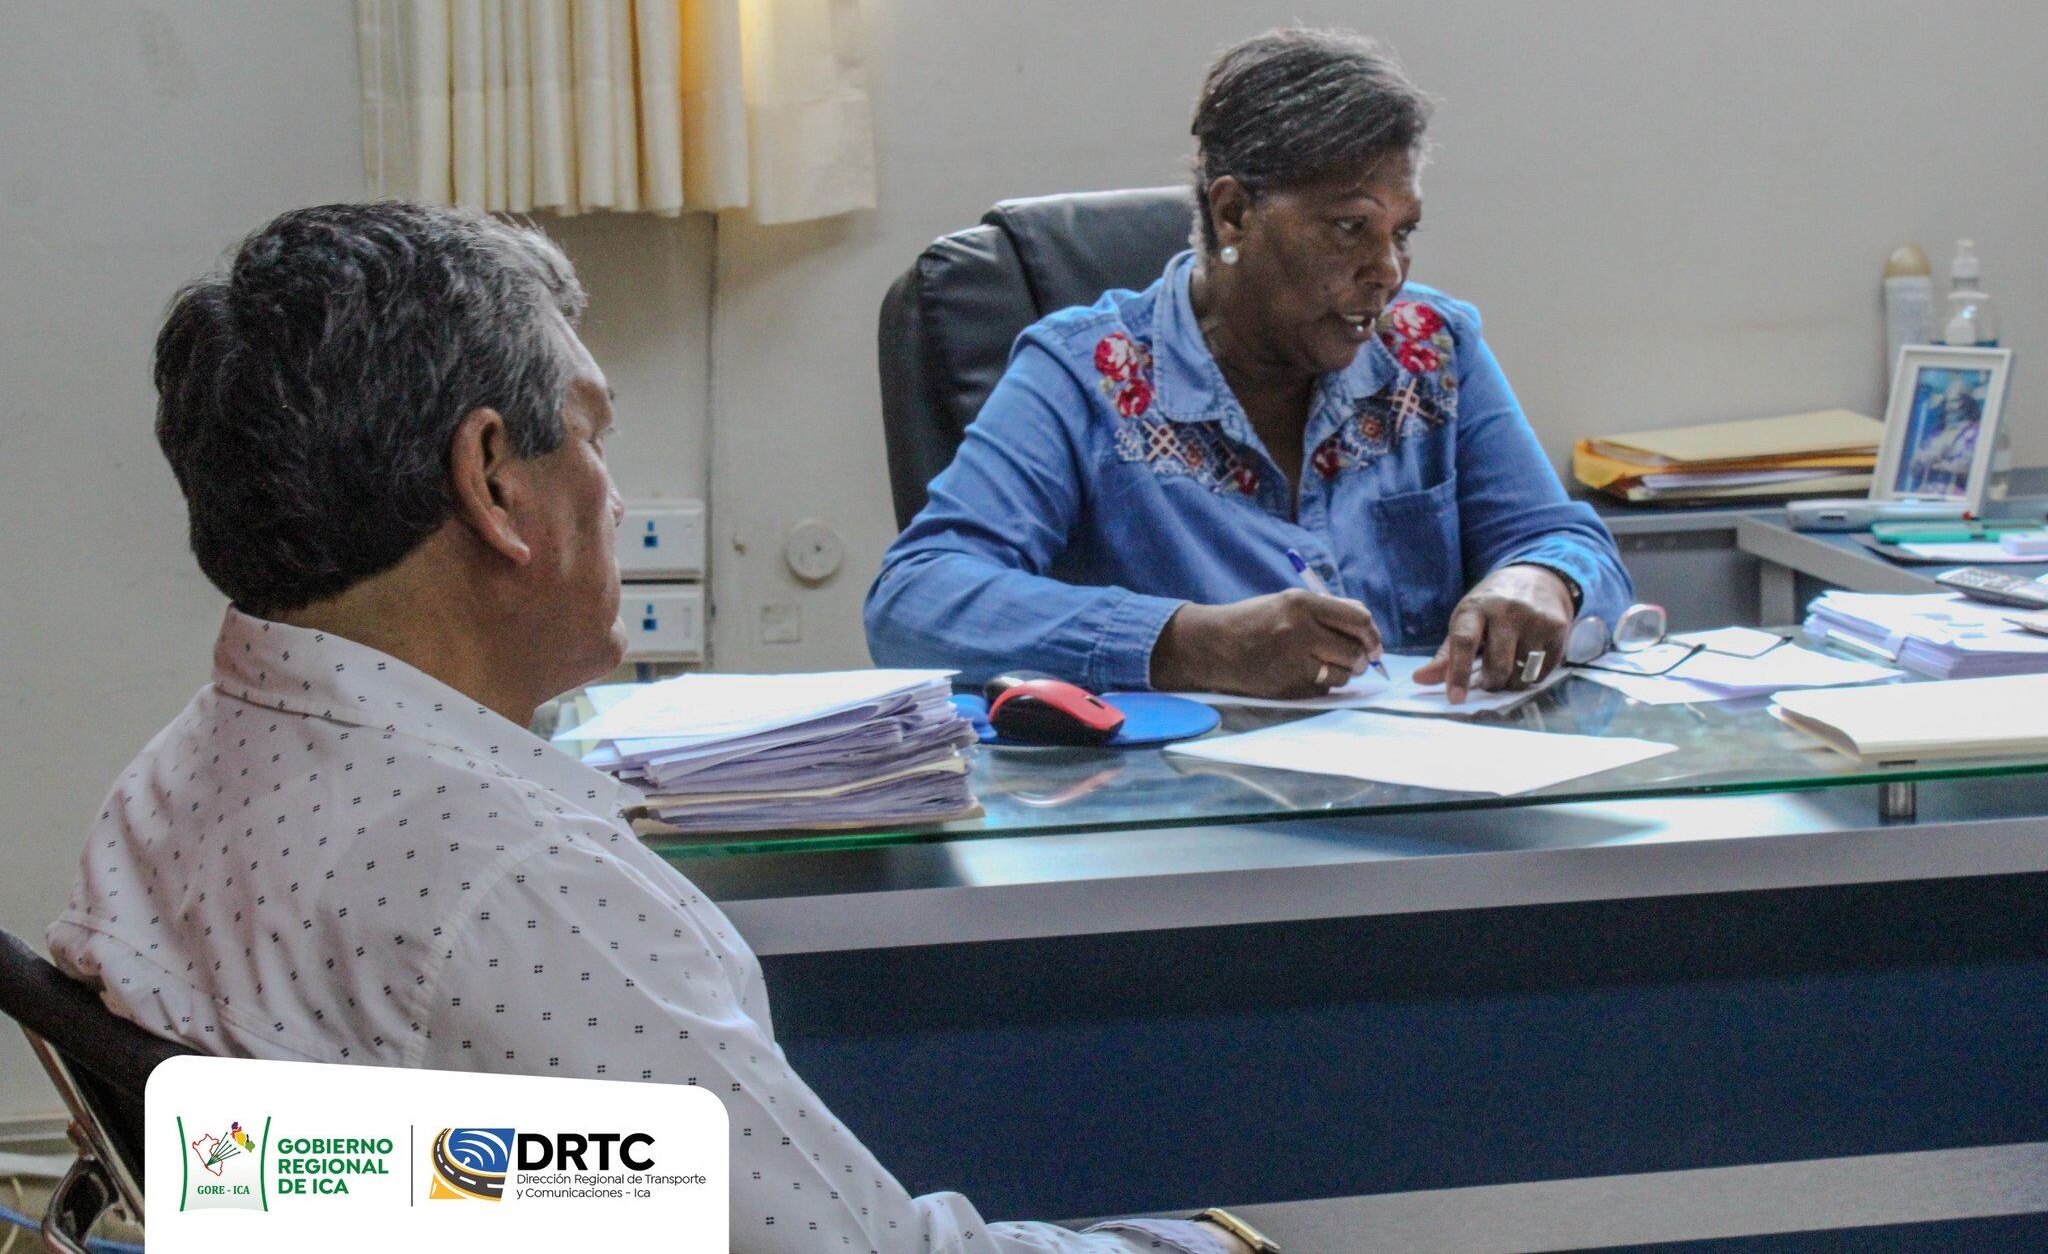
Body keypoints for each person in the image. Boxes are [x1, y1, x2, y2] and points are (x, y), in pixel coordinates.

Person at [48, 203, 1263, 1254]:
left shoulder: (178, 775)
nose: (611, 487)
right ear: (492, 480)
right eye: (591, 433)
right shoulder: (518, 885)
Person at [866, 29, 1630, 703]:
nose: (1388, 271)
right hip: (1186, 800)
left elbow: (1566, 541)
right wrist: (1190, 643)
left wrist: (1543, 579)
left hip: (1431, 796)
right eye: (1350, 228)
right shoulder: (1087, 373)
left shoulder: (1430, 349)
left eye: (1403, 233)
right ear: (1233, 213)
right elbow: (914, 600)